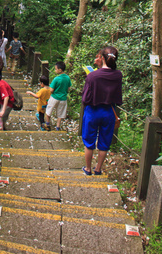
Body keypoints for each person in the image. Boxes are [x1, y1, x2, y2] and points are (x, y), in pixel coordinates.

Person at [81, 45, 122, 176]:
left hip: (93, 111)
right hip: (108, 111)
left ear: (103, 58)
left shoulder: (93, 76)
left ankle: (88, 169)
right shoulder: (118, 75)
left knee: (89, 141)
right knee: (104, 142)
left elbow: (85, 97)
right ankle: (98, 169)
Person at [43, 61, 71, 131]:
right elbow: (69, 88)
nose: (55, 70)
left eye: (56, 69)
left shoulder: (56, 79)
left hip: (55, 97)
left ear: (60, 70)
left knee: (49, 110)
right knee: (60, 113)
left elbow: (51, 90)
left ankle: (47, 124)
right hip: (63, 98)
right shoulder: (67, 78)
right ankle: (58, 127)